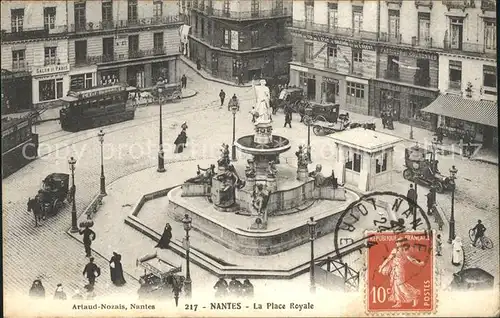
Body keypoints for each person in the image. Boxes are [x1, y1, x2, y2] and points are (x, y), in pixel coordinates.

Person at [378, 237, 425, 308]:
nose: (397, 243)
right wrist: (381, 267)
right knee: (395, 286)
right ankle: (398, 302)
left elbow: (411, 259)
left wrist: (419, 264)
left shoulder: (404, 251)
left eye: (398, 242)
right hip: (394, 270)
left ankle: (414, 296)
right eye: (397, 242)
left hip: (399, 270)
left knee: (401, 285)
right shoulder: (396, 250)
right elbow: (388, 259)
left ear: (402, 243)